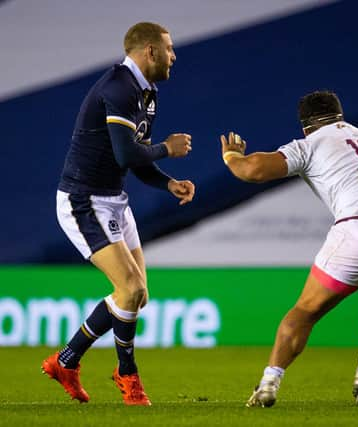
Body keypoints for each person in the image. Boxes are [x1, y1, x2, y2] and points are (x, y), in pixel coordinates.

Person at [219, 90, 358, 407]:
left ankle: (268, 385)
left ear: (306, 126)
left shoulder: (310, 143)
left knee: (305, 312)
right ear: (339, 115)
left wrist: (232, 157)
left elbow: (253, 171)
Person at [41, 22, 195, 405]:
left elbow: (133, 158)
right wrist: (167, 148)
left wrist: (167, 182)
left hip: (112, 198)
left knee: (136, 297)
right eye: (169, 48)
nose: (174, 55)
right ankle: (128, 375)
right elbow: (130, 153)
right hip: (83, 200)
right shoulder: (119, 87)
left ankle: (67, 361)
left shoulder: (147, 93)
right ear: (149, 51)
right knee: (131, 289)